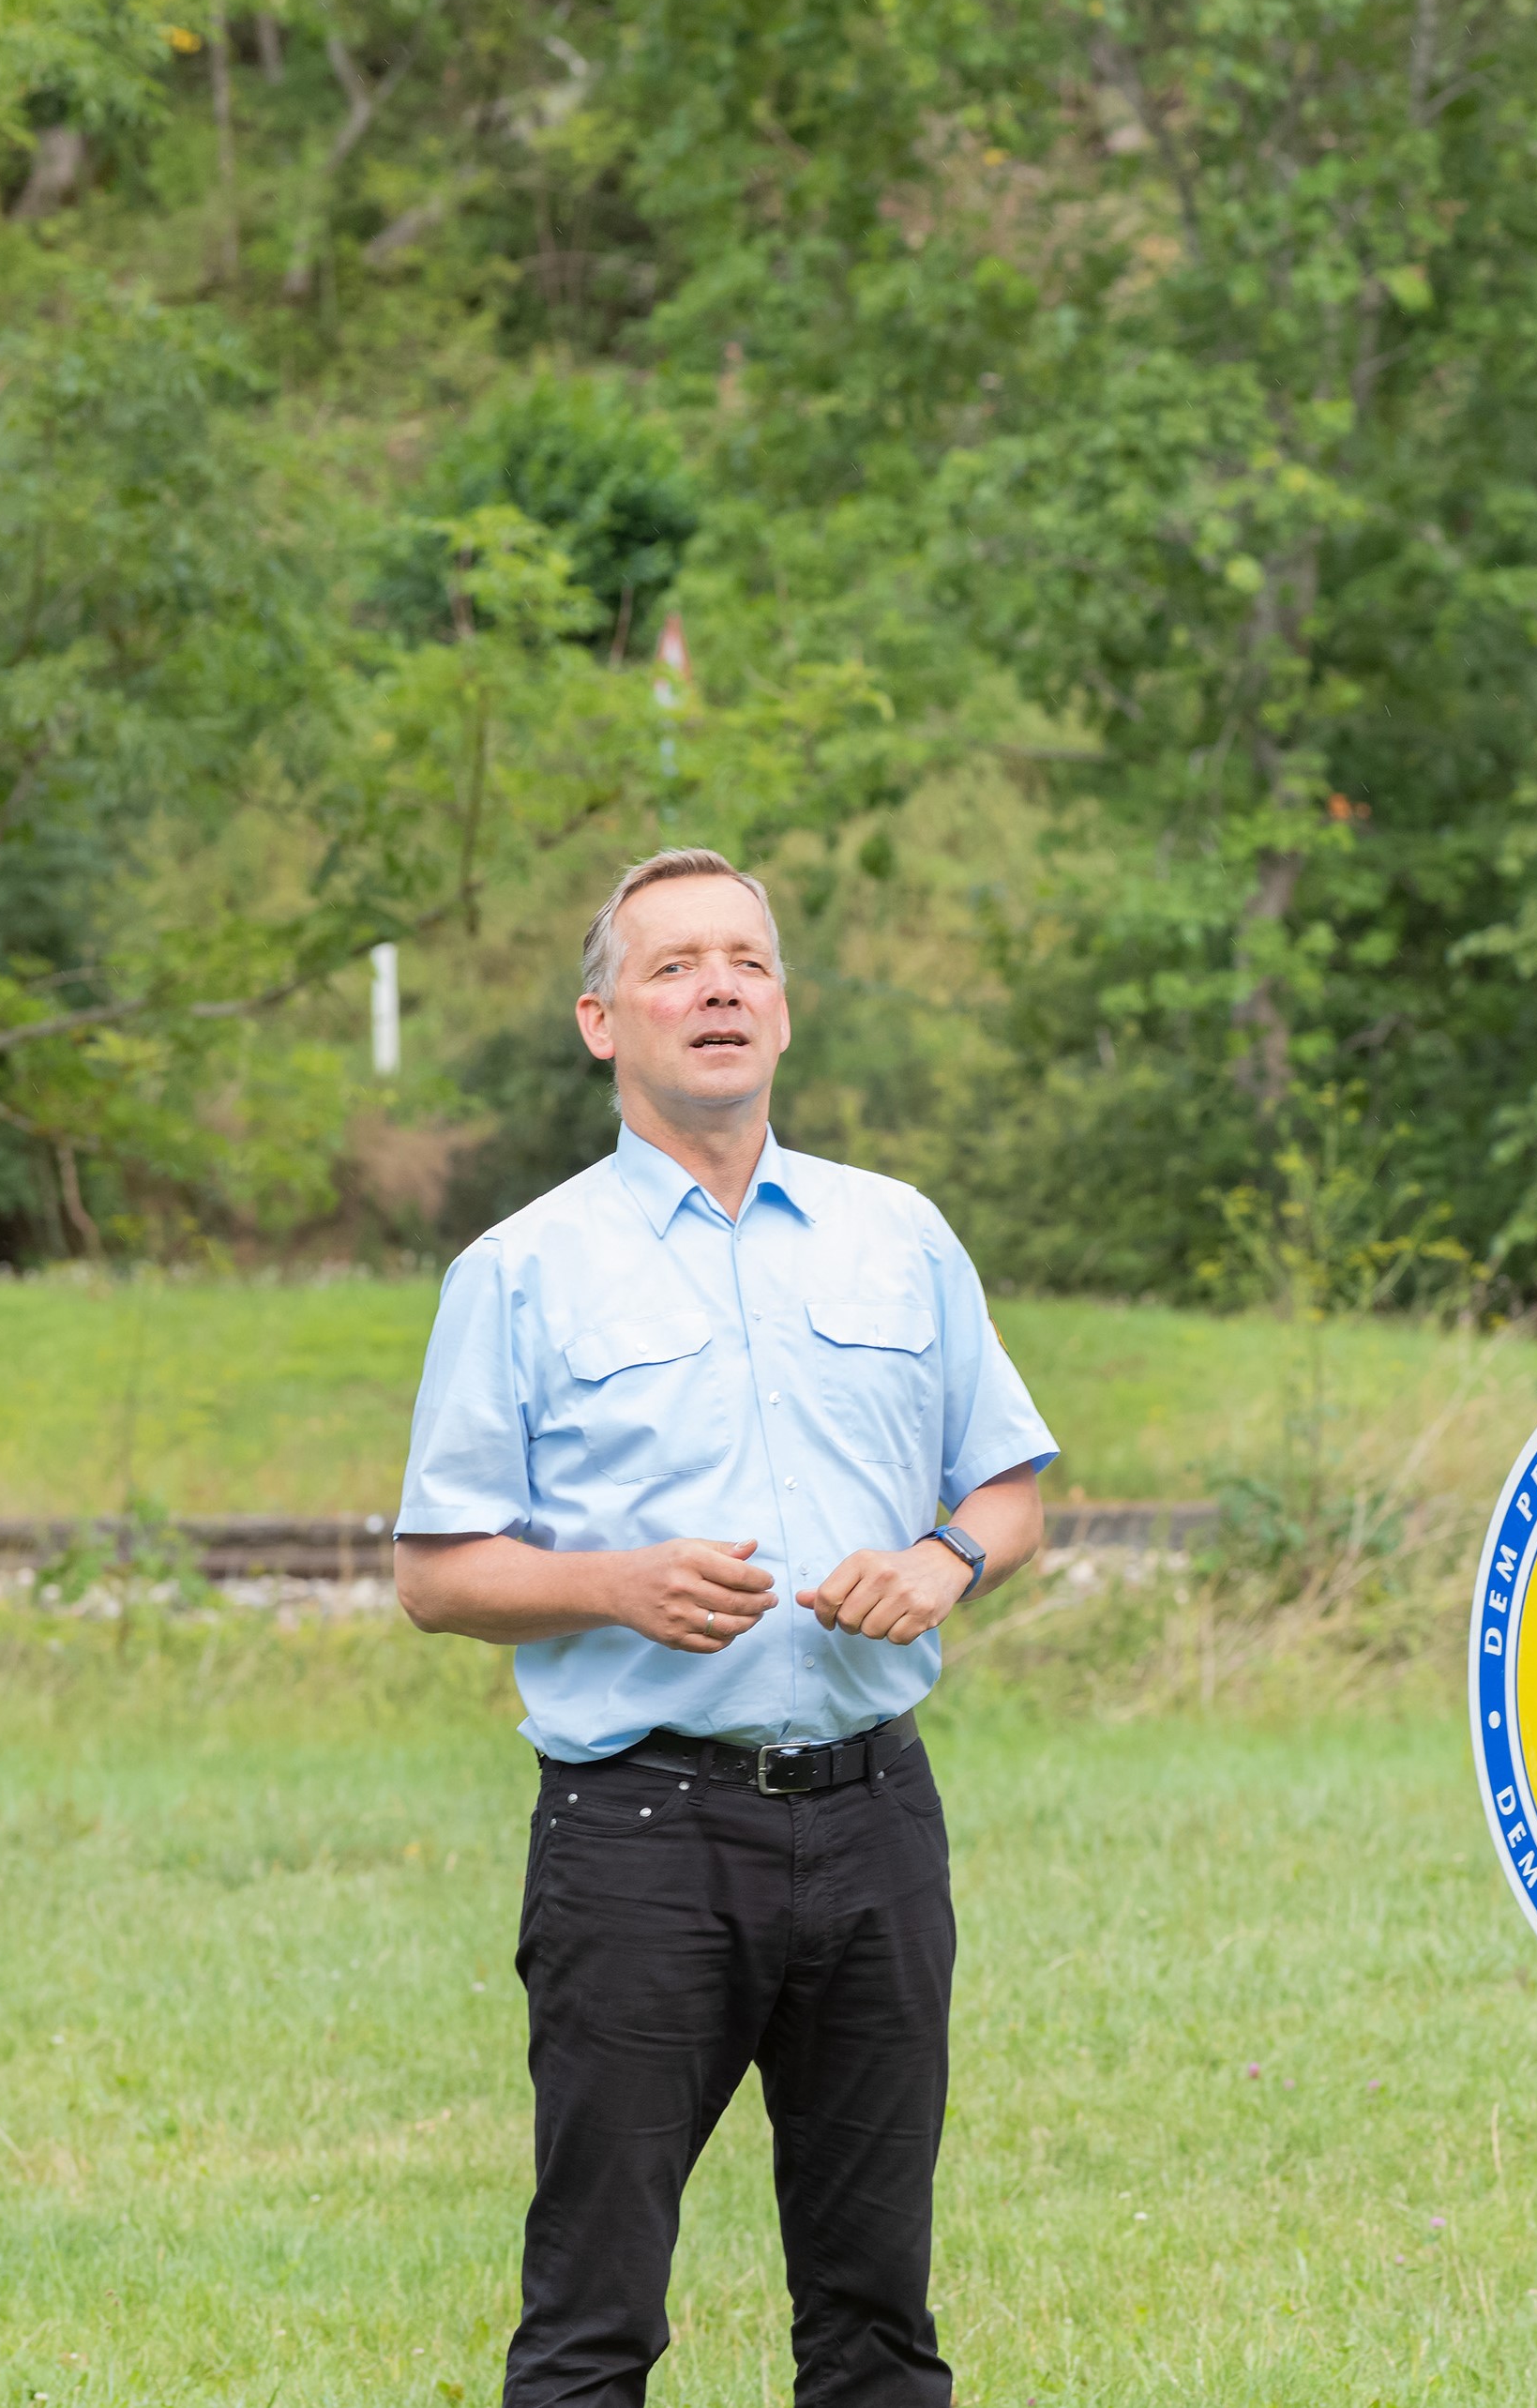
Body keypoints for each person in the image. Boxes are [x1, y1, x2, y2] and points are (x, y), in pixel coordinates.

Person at [391, 847, 1058, 2407]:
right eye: (676, 962)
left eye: (745, 961)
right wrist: (611, 1583)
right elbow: (437, 1571)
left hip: (876, 1818)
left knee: (878, 2316)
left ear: (783, 1006)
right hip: (641, 1835)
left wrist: (947, 1558)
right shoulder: (521, 1270)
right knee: (593, 2317)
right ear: (600, 1018)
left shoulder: (902, 1234)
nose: (718, 987)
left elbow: (1011, 1489)